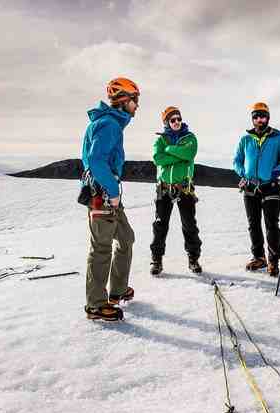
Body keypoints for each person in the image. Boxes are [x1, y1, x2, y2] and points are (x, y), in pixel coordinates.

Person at [80, 77, 139, 321]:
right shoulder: (109, 124)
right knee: (102, 248)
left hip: (107, 194)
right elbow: (96, 160)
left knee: (126, 238)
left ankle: (117, 290)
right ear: (124, 100)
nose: (137, 106)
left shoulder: (111, 123)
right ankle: (95, 304)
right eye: (135, 100)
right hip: (102, 196)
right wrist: (113, 193)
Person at [233, 102, 280, 276]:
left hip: (271, 187)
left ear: (268, 118)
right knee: (253, 225)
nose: (260, 119)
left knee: (271, 225)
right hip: (250, 187)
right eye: (256, 116)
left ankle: (273, 261)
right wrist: (243, 173)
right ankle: (259, 257)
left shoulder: (279, 138)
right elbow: (236, 160)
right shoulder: (245, 139)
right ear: (252, 119)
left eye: (263, 116)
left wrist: (272, 172)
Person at [150, 106, 202, 275]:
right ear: (167, 122)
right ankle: (156, 260)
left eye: (179, 119)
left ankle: (193, 259)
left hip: (184, 188)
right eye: (173, 120)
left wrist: (170, 150)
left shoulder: (190, 138)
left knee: (189, 224)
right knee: (160, 225)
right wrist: (178, 155)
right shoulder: (160, 141)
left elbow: (189, 153)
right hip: (164, 188)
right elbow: (158, 159)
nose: (177, 122)